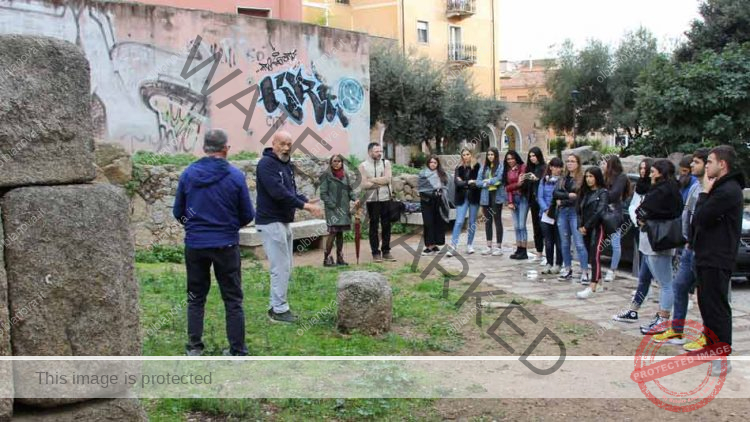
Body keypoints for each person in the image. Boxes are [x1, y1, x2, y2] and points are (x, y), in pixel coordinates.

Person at [173, 129, 255, 356]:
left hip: (196, 244)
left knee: (195, 297)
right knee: (233, 299)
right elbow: (247, 214)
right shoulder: (235, 176)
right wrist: (229, 226)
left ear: (204, 148)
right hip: (226, 244)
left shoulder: (188, 174)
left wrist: (194, 226)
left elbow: (178, 211)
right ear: (226, 148)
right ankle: (237, 350)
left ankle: (194, 347)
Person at [256, 131, 323, 323]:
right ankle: (279, 310)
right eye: (282, 144)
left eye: (289, 144)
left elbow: (289, 191)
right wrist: (305, 206)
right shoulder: (266, 164)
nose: (286, 148)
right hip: (271, 221)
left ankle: (275, 306)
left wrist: (304, 199)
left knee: (285, 266)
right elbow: (278, 193)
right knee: (281, 267)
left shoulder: (285, 164)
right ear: (273, 143)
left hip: (283, 221)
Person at [691, 146, 745, 376]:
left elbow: (701, 217)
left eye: (710, 162)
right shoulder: (720, 188)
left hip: (717, 257)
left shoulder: (727, 190)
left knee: (717, 308)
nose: (707, 166)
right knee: (706, 305)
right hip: (707, 255)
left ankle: (721, 358)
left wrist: (704, 193)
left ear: (722, 164)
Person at [651, 149, 708, 346]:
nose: (692, 166)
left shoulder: (712, 188)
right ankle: (677, 331)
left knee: (707, 295)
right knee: (679, 286)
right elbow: (687, 213)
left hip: (704, 249)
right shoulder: (695, 186)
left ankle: (708, 335)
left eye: (697, 162)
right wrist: (686, 237)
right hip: (689, 246)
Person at [630, 160, 683, 335]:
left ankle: (663, 319)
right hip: (660, 238)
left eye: (653, 171)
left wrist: (642, 217)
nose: (650, 174)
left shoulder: (661, 191)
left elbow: (643, 210)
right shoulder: (672, 189)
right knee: (655, 279)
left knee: (666, 283)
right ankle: (651, 314)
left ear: (660, 173)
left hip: (656, 239)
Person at [613, 158, 655, 323]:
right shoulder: (640, 186)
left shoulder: (657, 188)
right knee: (642, 261)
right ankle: (639, 299)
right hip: (639, 225)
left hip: (651, 229)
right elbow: (633, 205)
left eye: (646, 169)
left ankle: (654, 303)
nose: (643, 171)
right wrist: (636, 219)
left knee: (659, 272)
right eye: (641, 168)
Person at [554, 154, 589, 282]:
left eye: (572, 161)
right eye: (568, 161)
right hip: (563, 212)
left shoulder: (582, 179)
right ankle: (567, 269)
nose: (569, 163)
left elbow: (579, 197)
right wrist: (568, 195)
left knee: (579, 243)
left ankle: (584, 272)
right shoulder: (563, 178)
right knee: (564, 243)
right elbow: (555, 193)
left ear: (578, 163)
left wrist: (563, 200)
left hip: (576, 212)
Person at [319, 154, 359, 267]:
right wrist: (332, 205)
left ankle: (340, 258)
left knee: (340, 233)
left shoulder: (345, 175)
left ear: (342, 163)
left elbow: (349, 190)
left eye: (339, 161)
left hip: (344, 209)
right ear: (331, 163)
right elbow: (323, 194)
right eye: (334, 161)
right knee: (332, 233)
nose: (337, 163)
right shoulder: (326, 176)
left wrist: (355, 199)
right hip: (333, 210)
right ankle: (326, 258)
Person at [359, 142, 396, 262]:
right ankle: (375, 252)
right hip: (372, 200)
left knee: (386, 225)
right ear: (370, 152)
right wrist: (380, 182)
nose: (380, 153)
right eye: (377, 151)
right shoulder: (363, 166)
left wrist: (372, 180)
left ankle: (386, 251)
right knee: (373, 226)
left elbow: (387, 179)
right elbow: (363, 185)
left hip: (385, 198)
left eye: (381, 151)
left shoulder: (386, 163)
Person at [575, 167, 609, 299]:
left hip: (597, 228)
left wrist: (587, 226)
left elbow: (599, 212)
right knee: (591, 255)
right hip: (585, 229)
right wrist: (580, 226)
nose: (588, 179)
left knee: (595, 255)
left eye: (591, 176)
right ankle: (599, 282)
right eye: (587, 176)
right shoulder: (584, 192)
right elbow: (578, 210)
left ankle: (593, 285)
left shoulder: (603, 192)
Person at [601, 155, 630, 282]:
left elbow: (614, 195)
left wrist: (601, 195)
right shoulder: (603, 177)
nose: (602, 165)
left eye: (604, 163)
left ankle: (612, 270)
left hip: (614, 213)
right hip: (601, 212)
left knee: (615, 243)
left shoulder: (621, 177)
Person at [448, 148, 481, 256]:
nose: (466, 156)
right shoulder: (459, 167)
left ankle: (470, 245)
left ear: (471, 155)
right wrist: (468, 182)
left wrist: (464, 182)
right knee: (459, 221)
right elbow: (457, 183)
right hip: (461, 197)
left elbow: (477, 182)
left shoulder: (477, 167)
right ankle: (453, 245)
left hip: (474, 196)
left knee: (472, 222)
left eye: (467, 154)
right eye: (464, 155)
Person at [418, 155, 450, 255]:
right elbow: (422, 188)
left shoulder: (441, 173)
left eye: (435, 162)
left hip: (439, 201)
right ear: (428, 163)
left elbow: (445, 186)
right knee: (428, 223)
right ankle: (429, 246)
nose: (433, 164)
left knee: (438, 222)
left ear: (437, 164)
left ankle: (435, 244)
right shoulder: (423, 174)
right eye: (431, 162)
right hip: (426, 201)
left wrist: (441, 192)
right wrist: (433, 191)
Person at [536, 157, 564, 274]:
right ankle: (549, 262)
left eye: (559, 167)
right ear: (551, 167)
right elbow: (540, 196)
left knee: (559, 241)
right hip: (545, 214)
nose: (557, 169)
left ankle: (558, 264)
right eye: (555, 167)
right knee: (548, 240)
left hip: (559, 214)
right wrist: (545, 209)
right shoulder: (544, 180)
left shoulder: (563, 181)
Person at [477, 147, 506, 256]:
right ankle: (488, 246)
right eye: (488, 154)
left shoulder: (500, 166)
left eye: (492, 154)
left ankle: (499, 247)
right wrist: (487, 183)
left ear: (496, 155)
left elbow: (499, 179)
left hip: (496, 196)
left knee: (497, 220)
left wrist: (487, 181)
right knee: (487, 221)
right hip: (486, 196)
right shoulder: (483, 167)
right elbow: (478, 182)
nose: (490, 156)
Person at [503, 150, 529, 260]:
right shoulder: (507, 170)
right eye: (508, 159)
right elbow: (507, 188)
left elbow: (521, 184)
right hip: (513, 199)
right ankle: (519, 249)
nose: (510, 161)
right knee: (516, 226)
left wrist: (515, 185)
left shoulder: (522, 167)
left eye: (512, 158)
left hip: (522, 198)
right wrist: (510, 202)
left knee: (522, 225)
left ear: (516, 158)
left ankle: (524, 250)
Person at [525, 147, 547, 262]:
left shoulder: (544, 167)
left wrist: (536, 179)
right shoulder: (530, 168)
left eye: (534, 155)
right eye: (530, 156)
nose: (532, 158)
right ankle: (539, 252)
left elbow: (545, 182)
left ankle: (548, 253)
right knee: (536, 227)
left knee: (545, 227)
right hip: (533, 201)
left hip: (543, 202)